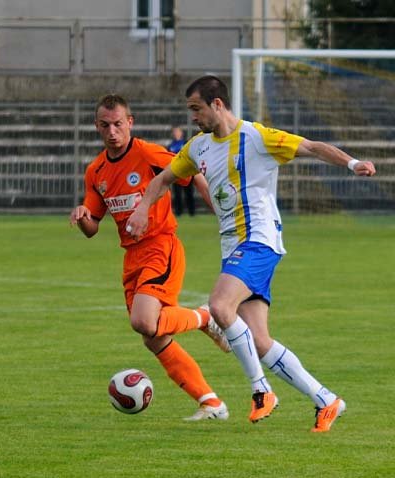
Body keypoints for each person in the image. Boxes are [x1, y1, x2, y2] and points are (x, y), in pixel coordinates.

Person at [126, 75, 376, 432]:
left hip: (259, 241)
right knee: (259, 341)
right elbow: (163, 178)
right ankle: (326, 399)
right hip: (233, 250)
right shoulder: (197, 148)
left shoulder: (257, 137)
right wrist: (141, 207)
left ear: (217, 104)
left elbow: (312, 146)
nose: (192, 117)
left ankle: (261, 391)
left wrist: (352, 164)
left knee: (220, 306)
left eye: (196, 109)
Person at [70, 94, 232, 421]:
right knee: (153, 337)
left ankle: (205, 317)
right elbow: (93, 228)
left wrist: (218, 210)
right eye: (105, 126)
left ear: (130, 122)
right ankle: (211, 403)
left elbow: (192, 174)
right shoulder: (96, 170)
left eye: (118, 124)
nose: (112, 131)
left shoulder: (148, 152)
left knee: (144, 321)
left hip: (161, 245)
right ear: (97, 127)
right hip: (131, 257)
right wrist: (82, 215)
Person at [167, 126, 196, 217]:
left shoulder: (185, 143)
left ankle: (192, 212)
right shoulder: (171, 145)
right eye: (175, 132)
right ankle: (179, 212)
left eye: (178, 132)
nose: (176, 134)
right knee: (177, 193)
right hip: (176, 172)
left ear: (181, 133)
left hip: (187, 171)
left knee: (189, 192)